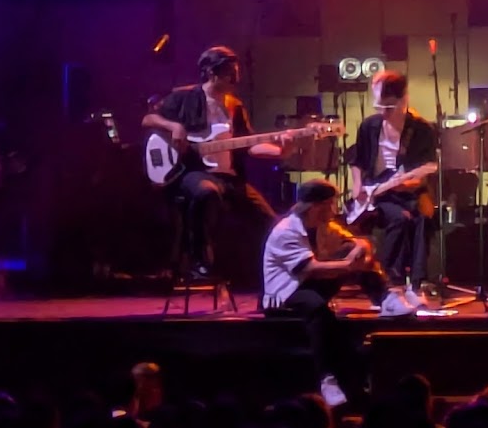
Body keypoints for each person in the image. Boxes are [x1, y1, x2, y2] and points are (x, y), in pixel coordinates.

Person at [262, 179, 416, 407]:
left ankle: (386, 298)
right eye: (330, 203)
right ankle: (326, 378)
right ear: (316, 206)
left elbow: (358, 242)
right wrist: (349, 266)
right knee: (317, 308)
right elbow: (309, 269)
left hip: (309, 283)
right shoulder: (286, 231)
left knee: (355, 254)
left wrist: (360, 250)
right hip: (286, 292)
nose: (334, 209)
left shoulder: (324, 225)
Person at [142, 45, 279, 279]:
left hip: (229, 178)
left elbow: (247, 144)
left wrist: (281, 148)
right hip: (191, 171)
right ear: (212, 73)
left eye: (236, 73)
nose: (234, 78)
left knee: (271, 221)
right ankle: (199, 259)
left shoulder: (234, 106)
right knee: (206, 192)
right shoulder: (183, 96)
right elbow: (148, 119)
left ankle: (274, 270)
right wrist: (174, 126)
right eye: (229, 73)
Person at [346, 70, 438, 309]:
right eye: (379, 107)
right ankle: (388, 284)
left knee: (423, 218)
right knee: (400, 218)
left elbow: (422, 172)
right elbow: (356, 160)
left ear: (403, 99)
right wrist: (357, 186)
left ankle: (416, 285)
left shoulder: (421, 130)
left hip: (407, 190)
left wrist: (407, 183)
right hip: (375, 193)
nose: (383, 113)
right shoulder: (370, 126)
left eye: (389, 107)